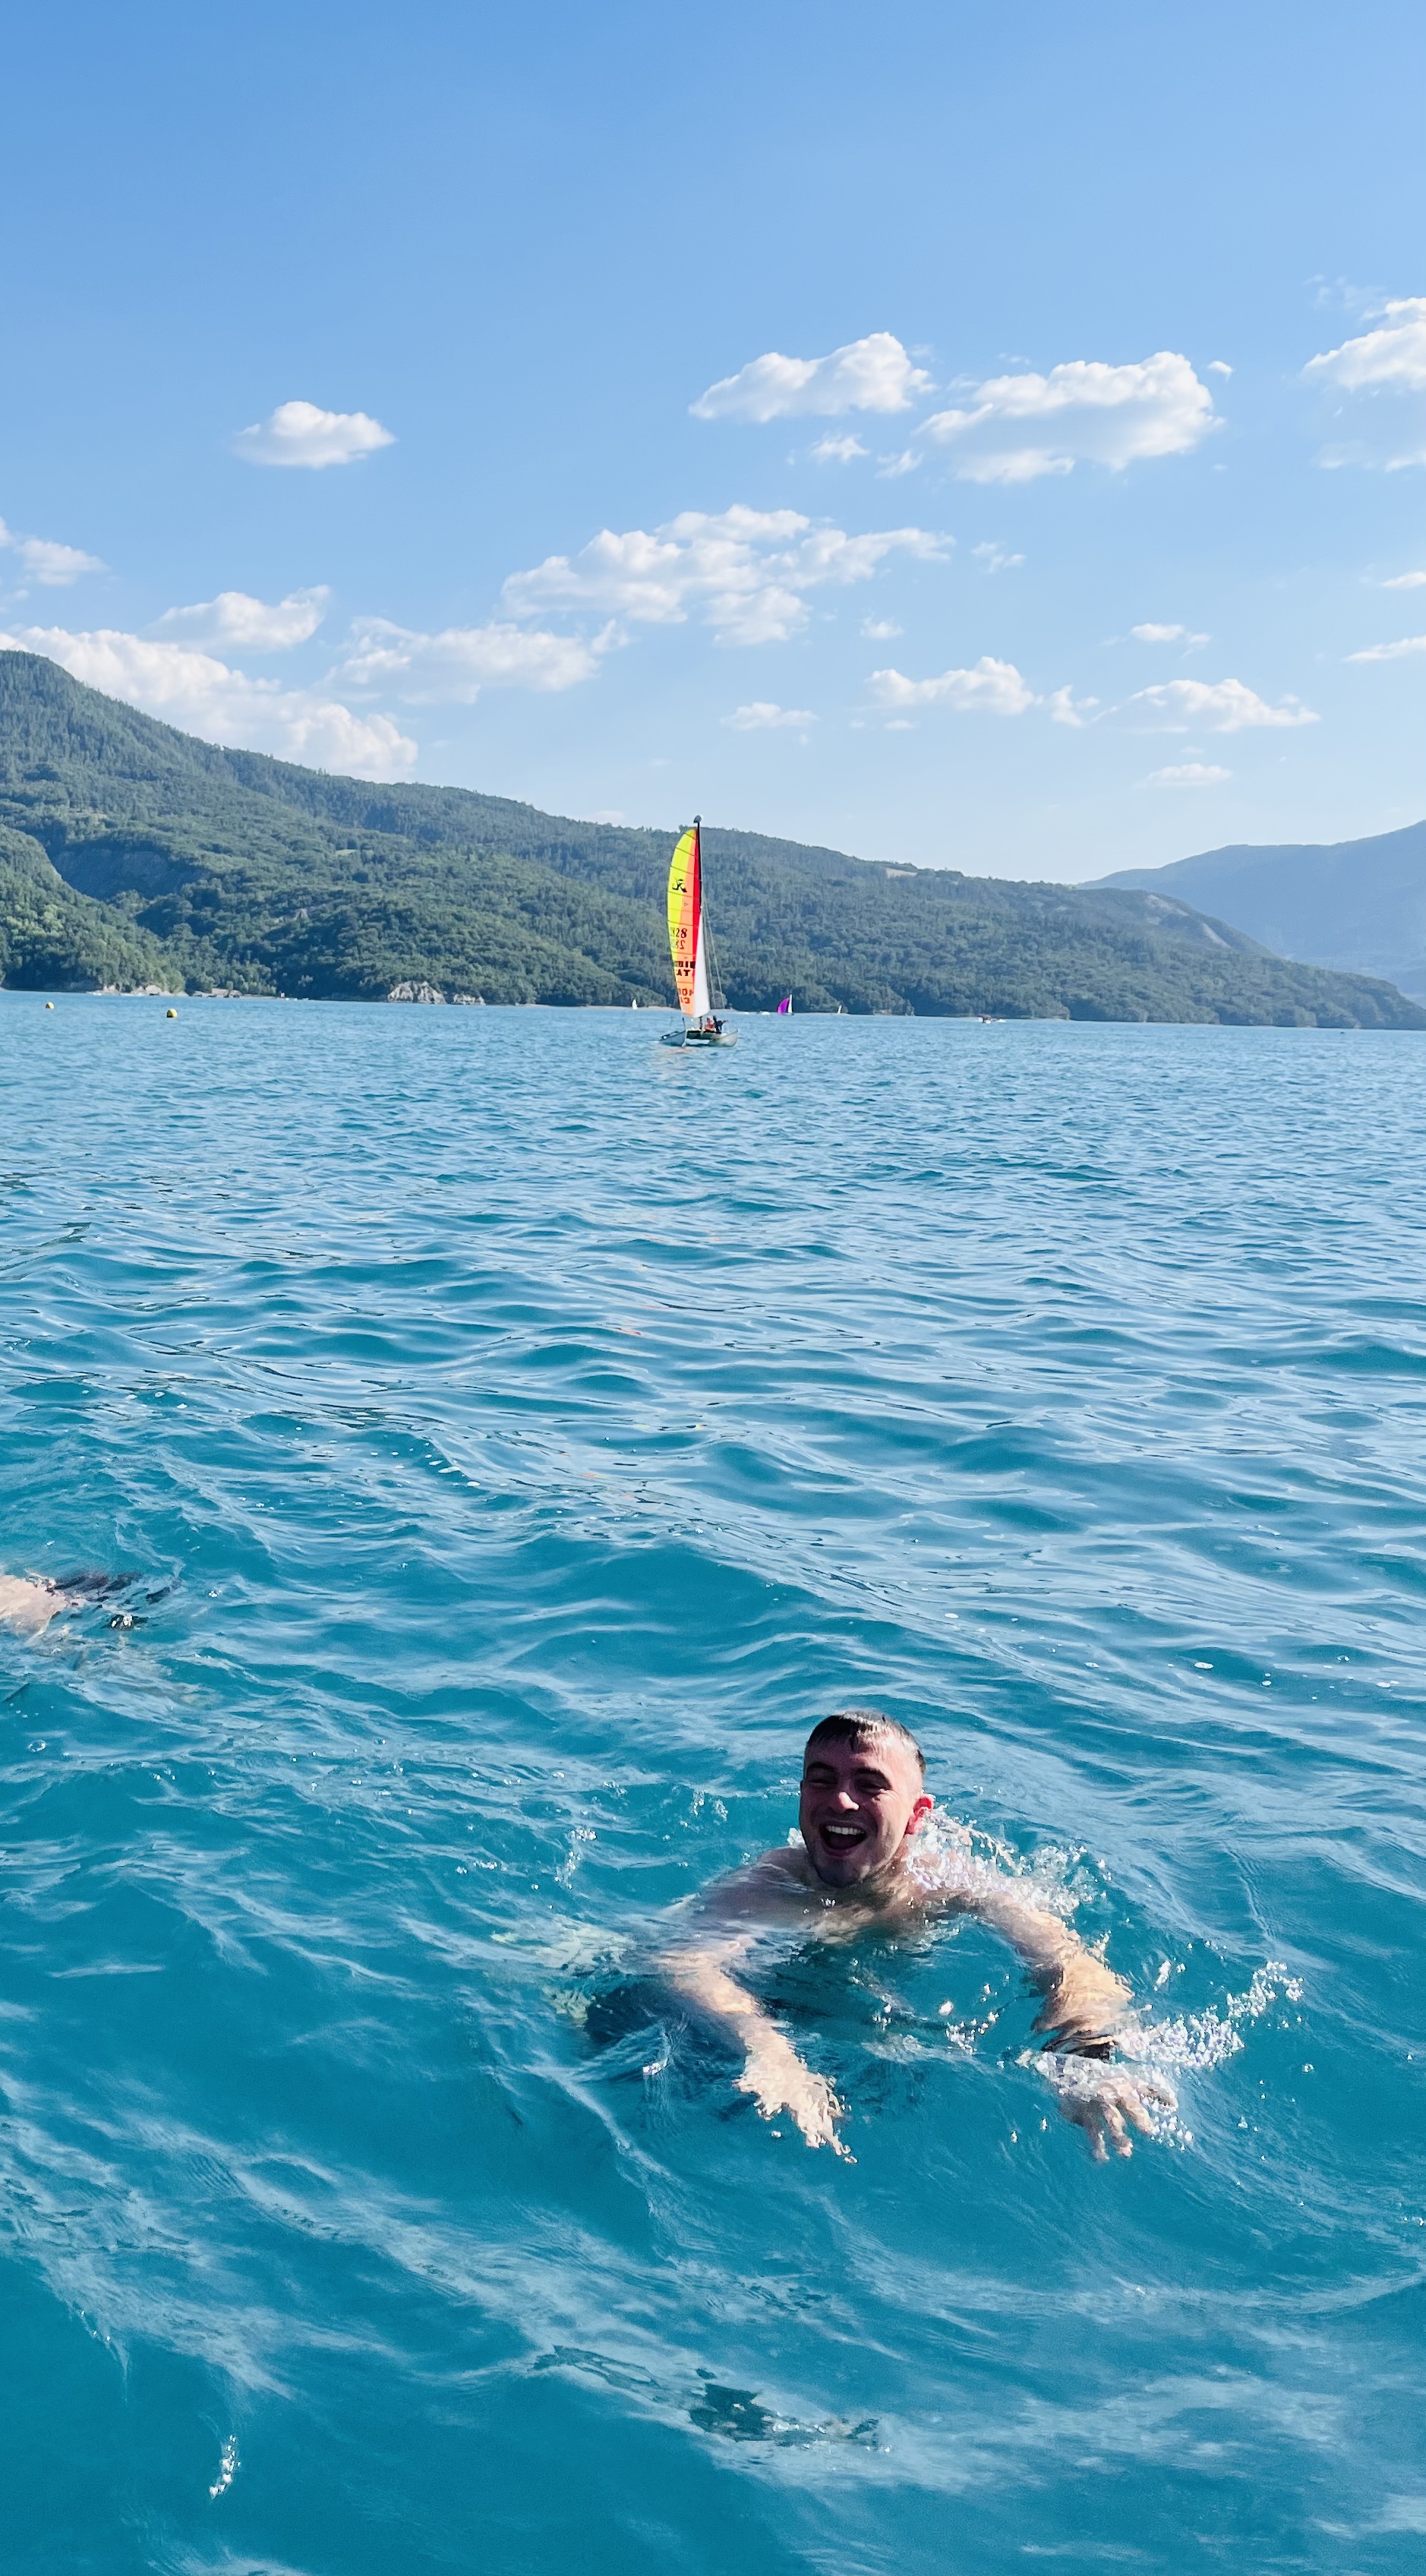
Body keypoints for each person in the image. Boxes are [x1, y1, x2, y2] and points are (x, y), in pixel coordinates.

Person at [658, 1707, 1175, 2161]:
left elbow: (1070, 1964)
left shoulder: (950, 1885)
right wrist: (768, 2051)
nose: (841, 1800)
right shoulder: (769, 1884)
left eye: (870, 1785)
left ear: (916, 1816)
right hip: (766, 2020)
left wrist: (1086, 2059)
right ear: (800, 1795)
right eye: (821, 1780)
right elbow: (680, 1961)